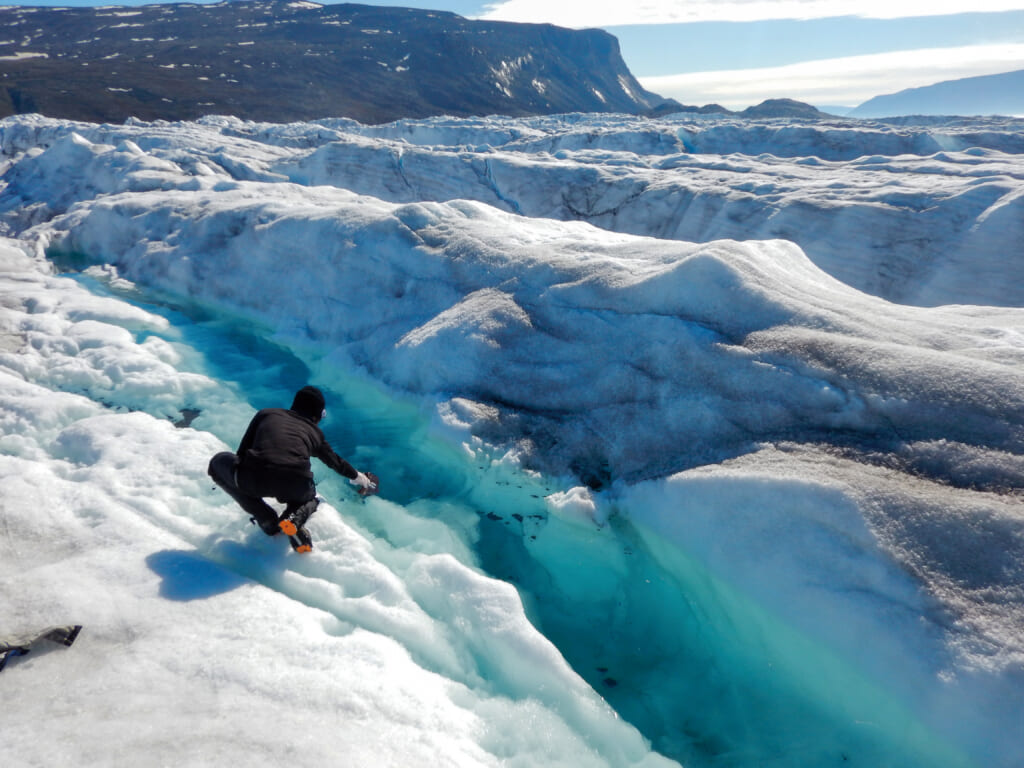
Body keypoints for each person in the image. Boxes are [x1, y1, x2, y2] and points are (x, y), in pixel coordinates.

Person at [208, 386, 376, 552]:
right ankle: (292, 519)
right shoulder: (315, 433)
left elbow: (242, 453)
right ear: (317, 416)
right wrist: (358, 476)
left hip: (254, 476)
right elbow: (335, 462)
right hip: (295, 483)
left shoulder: (266, 414)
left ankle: (266, 518)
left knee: (217, 463)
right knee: (310, 498)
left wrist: (247, 478)